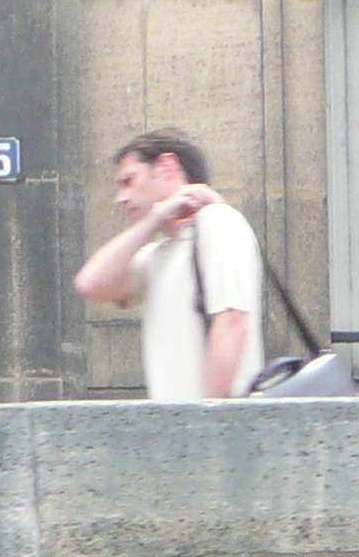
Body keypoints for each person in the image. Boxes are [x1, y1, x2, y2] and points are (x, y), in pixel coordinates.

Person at [70, 128, 265, 399]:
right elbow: (90, 283)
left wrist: (206, 421)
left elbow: (232, 323)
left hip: (214, 432)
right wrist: (154, 220)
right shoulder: (159, 254)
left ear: (167, 167)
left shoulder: (217, 223)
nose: (121, 198)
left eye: (129, 181)